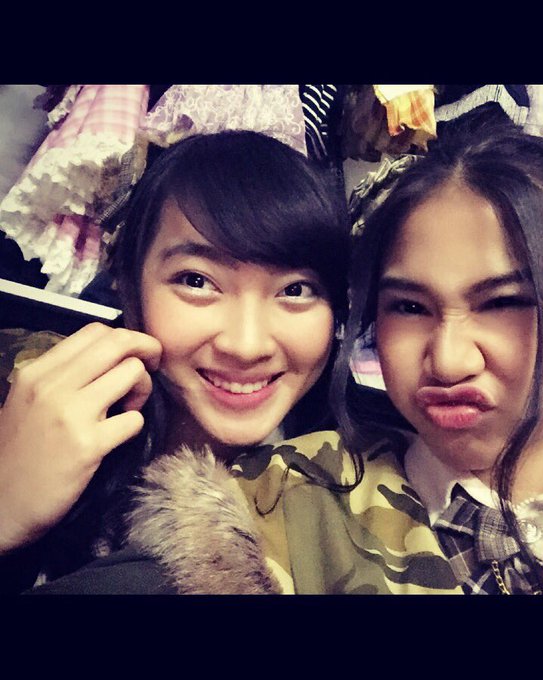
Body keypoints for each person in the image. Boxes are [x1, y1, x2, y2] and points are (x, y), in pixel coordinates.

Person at [27, 105, 543, 595]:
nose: (450, 360)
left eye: (506, 302)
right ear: (126, 284)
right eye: (409, 306)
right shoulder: (268, 511)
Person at [1, 129, 352, 593]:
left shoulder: (363, 501)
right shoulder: (27, 406)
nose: (246, 346)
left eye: (295, 290)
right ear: (130, 286)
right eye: (196, 281)